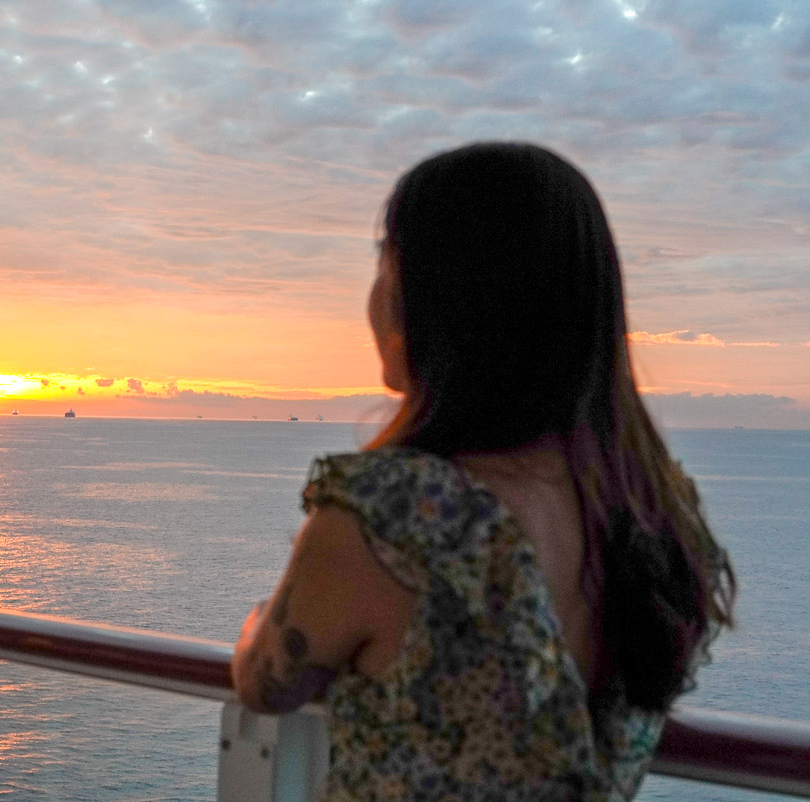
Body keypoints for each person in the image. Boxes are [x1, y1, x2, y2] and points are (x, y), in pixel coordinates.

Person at [232, 142, 734, 801]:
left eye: (387, 262)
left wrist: (256, 621)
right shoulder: (650, 510)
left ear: (431, 297)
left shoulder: (399, 513)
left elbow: (267, 682)